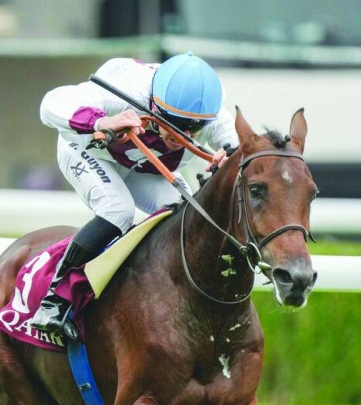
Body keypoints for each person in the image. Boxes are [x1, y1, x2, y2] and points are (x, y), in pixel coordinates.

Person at [31, 52, 239, 336]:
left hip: (142, 167)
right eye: (172, 121)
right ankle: (54, 301)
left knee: (183, 215)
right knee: (118, 211)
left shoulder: (212, 115)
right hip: (90, 154)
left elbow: (240, 151)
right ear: (153, 102)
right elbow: (49, 104)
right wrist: (100, 122)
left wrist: (230, 158)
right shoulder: (124, 86)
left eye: (193, 128)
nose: (180, 135)